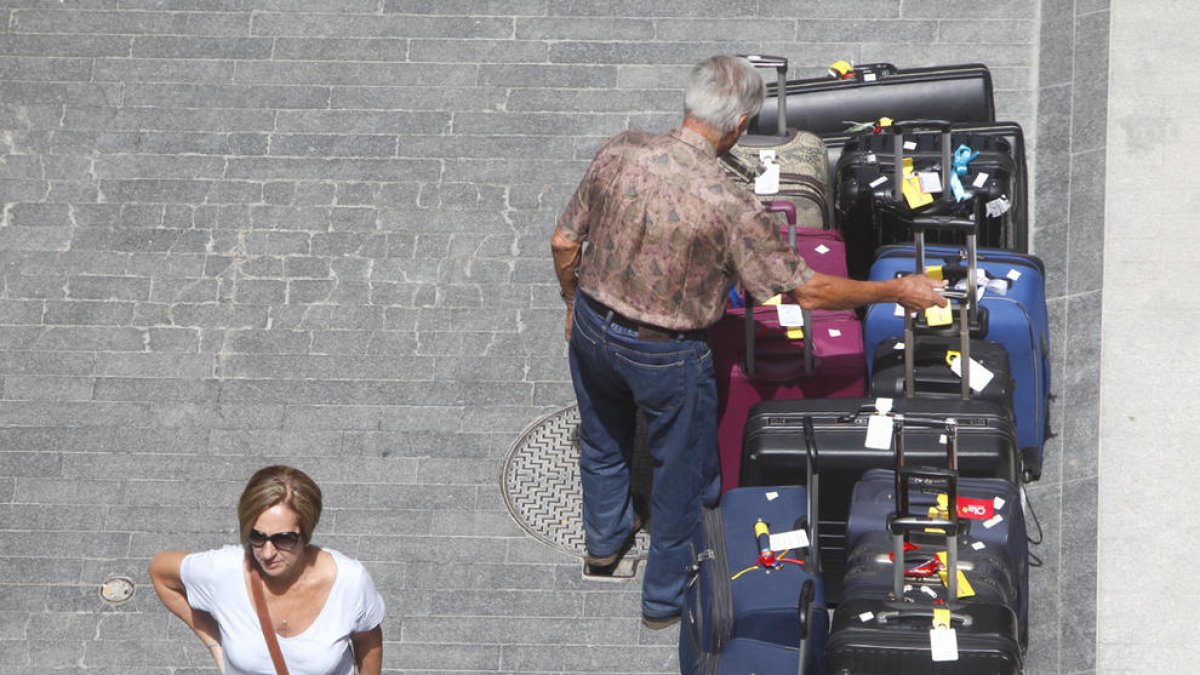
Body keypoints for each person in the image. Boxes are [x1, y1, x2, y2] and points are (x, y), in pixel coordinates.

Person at [549, 54, 947, 629]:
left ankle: (603, 544)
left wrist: (571, 304)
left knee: (604, 441)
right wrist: (896, 290)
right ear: (738, 126)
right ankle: (664, 599)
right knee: (680, 470)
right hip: (664, 350)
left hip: (589, 323)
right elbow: (805, 293)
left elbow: (565, 242)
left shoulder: (620, 149)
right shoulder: (731, 202)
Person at [149, 466, 385, 674]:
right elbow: (161, 572)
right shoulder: (224, 572)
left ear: (306, 533)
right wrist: (214, 643)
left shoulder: (349, 582)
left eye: (283, 539)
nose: (267, 552)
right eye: (257, 536)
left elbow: (368, 640)